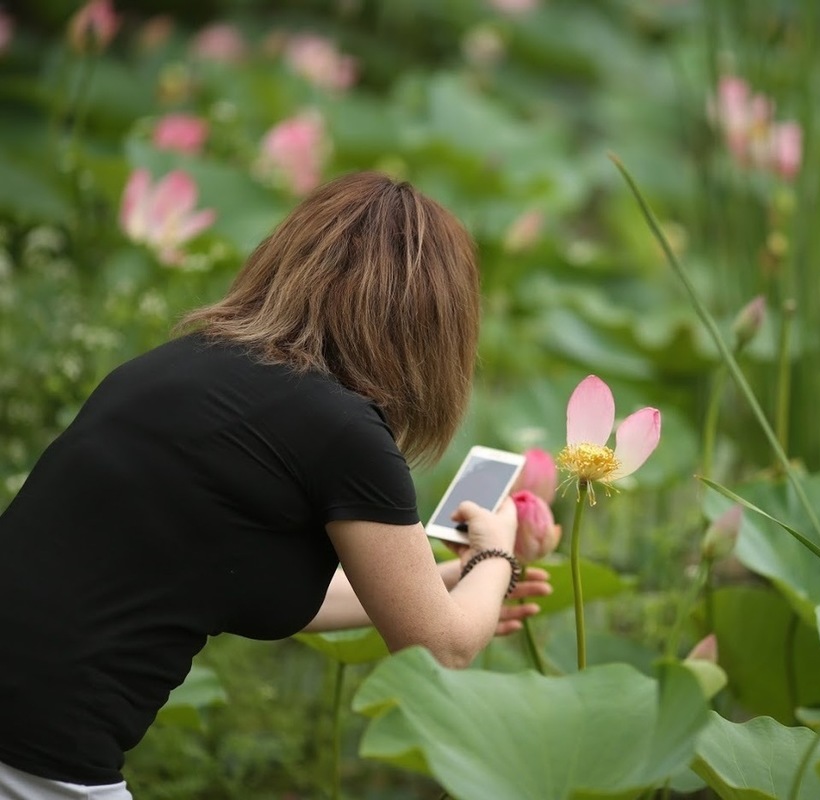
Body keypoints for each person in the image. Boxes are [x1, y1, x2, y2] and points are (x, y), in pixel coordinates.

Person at [0, 171, 552, 798]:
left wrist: (450, 580)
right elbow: (444, 648)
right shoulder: (343, 430)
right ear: (431, 325)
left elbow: (269, 585)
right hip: (36, 761)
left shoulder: (174, 366)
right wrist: (496, 551)